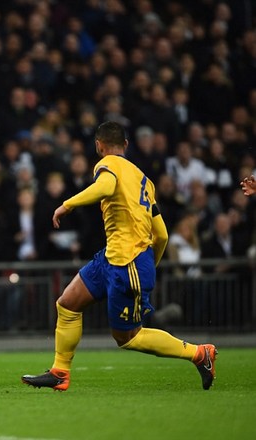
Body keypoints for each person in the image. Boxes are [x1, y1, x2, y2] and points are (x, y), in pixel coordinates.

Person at [21, 121, 217, 392]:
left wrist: (67, 204)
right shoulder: (144, 180)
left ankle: (199, 353)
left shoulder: (107, 165)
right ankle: (60, 372)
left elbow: (104, 187)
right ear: (126, 144)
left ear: (98, 145)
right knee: (67, 303)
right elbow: (161, 235)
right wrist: (151, 265)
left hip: (128, 261)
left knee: (128, 338)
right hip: (113, 257)